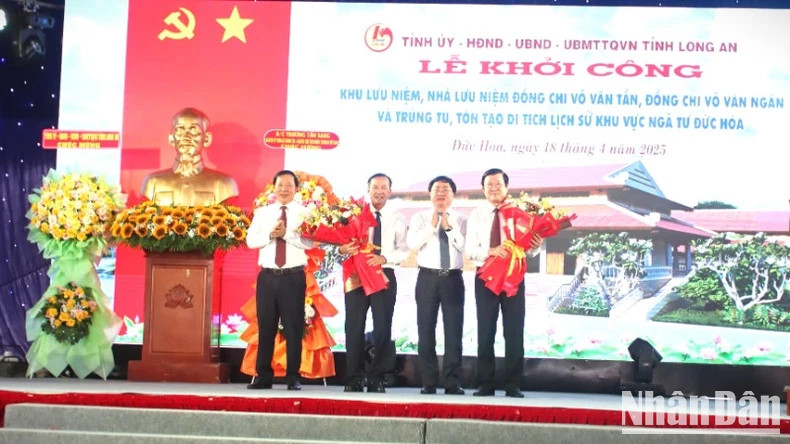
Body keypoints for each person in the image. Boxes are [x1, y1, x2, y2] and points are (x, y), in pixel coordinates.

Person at [465, 168, 543, 398]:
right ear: (483, 189)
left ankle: (513, 384)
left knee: (514, 331)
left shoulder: (519, 213)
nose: (493, 189)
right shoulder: (477, 215)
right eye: (489, 185)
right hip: (486, 277)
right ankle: (485, 384)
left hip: (514, 277)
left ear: (507, 188)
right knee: (486, 331)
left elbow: (530, 250)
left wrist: (536, 244)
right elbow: (470, 249)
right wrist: (491, 251)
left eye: (498, 184)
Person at [339, 173, 409, 393]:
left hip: (383, 274)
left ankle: (378, 377)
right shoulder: (354, 215)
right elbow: (340, 244)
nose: (379, 191)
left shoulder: (397, 217)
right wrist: (342, 249)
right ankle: (354, 378)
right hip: (356, 274)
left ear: (389, 191)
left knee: (382, 328)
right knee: (354, 326)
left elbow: (405, 250)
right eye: (375, 187)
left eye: (384, 187)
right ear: (368, 189)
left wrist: (385, 257)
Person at [245, 170, 313, 391]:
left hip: (293, 276)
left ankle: (293, 376)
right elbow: (251, 241)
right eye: (280, 185)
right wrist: (271, 236)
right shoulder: (263, 213)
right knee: (266, 327)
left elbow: (310, 243)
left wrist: (287, 234)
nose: (284, 189)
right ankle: (263, 375)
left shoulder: (305, 213)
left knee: (293, 327)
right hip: (267, 277)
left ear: (296, 188)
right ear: (273, 187)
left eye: (289, 185)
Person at [406, 176, 466, 395]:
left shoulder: (460, 218)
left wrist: (449, 227)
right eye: (437, 189)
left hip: (453, 278)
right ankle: (428, 382)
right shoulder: (419, 217)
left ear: (453, 195)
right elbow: (412, 244)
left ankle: (452, 382)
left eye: (446, 189)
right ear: (430, 193)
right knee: (426, 330)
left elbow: (464, 247)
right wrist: (432, 225)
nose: (441, 193)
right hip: (427, 278)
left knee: (453, 332)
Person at [141, 107, 238, 206]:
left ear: (206, 139)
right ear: (171, 139)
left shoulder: (223, 184)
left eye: (194, 130)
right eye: (180, 130)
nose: (186, 137)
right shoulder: (153, 182)